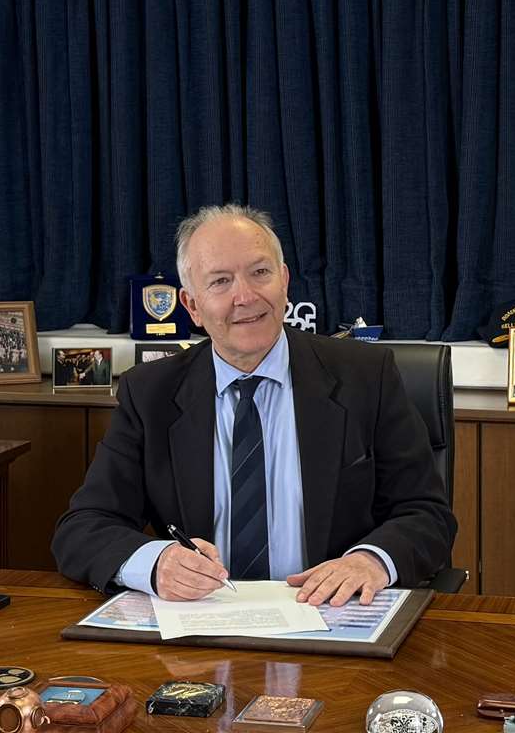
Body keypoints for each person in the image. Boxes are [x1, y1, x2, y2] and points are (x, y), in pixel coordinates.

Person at [52, 204, 456, 607]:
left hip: (332, 612)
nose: (245, 297)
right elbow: (84, 527)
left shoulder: (366, 376)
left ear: (285, 282)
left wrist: (370, 562)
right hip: (204, 618)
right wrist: (157, 564)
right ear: (192, 306)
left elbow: (426, 514)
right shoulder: (150, 393)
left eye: (260, 272)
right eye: (220, 281)